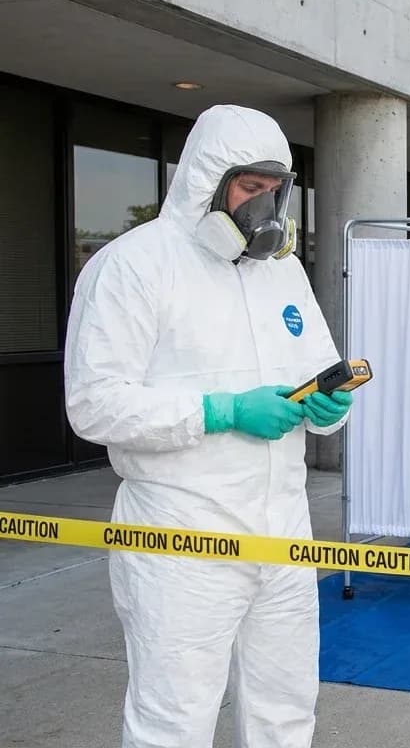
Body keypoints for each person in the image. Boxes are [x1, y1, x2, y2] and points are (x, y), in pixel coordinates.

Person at [64, 105, 352, 748]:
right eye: (251, 189)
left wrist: (327, 408)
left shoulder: (281, 269)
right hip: (182, 538)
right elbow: (93, 403)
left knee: (286, 709)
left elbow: (318, 366)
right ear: (208, 181)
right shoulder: (134, 265)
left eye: (275, 190)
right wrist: (219, 412)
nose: (265, 208)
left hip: (282, 530)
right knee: (174, 722)